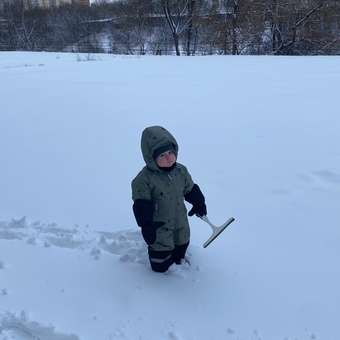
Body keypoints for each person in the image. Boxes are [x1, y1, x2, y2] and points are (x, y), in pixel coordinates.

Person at [131, 126, 207, 273]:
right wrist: (147, 225)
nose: (169, 158)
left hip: (180, 222)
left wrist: (198, 202)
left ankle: (179, 260)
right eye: (162, 155)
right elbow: (141, 205)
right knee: (161, 259)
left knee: (182, 243)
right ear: (151, 157)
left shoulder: (180, 171)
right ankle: (162, 280)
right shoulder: (143, 180)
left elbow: (190, 189)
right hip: (159, 227)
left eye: (171, 153)